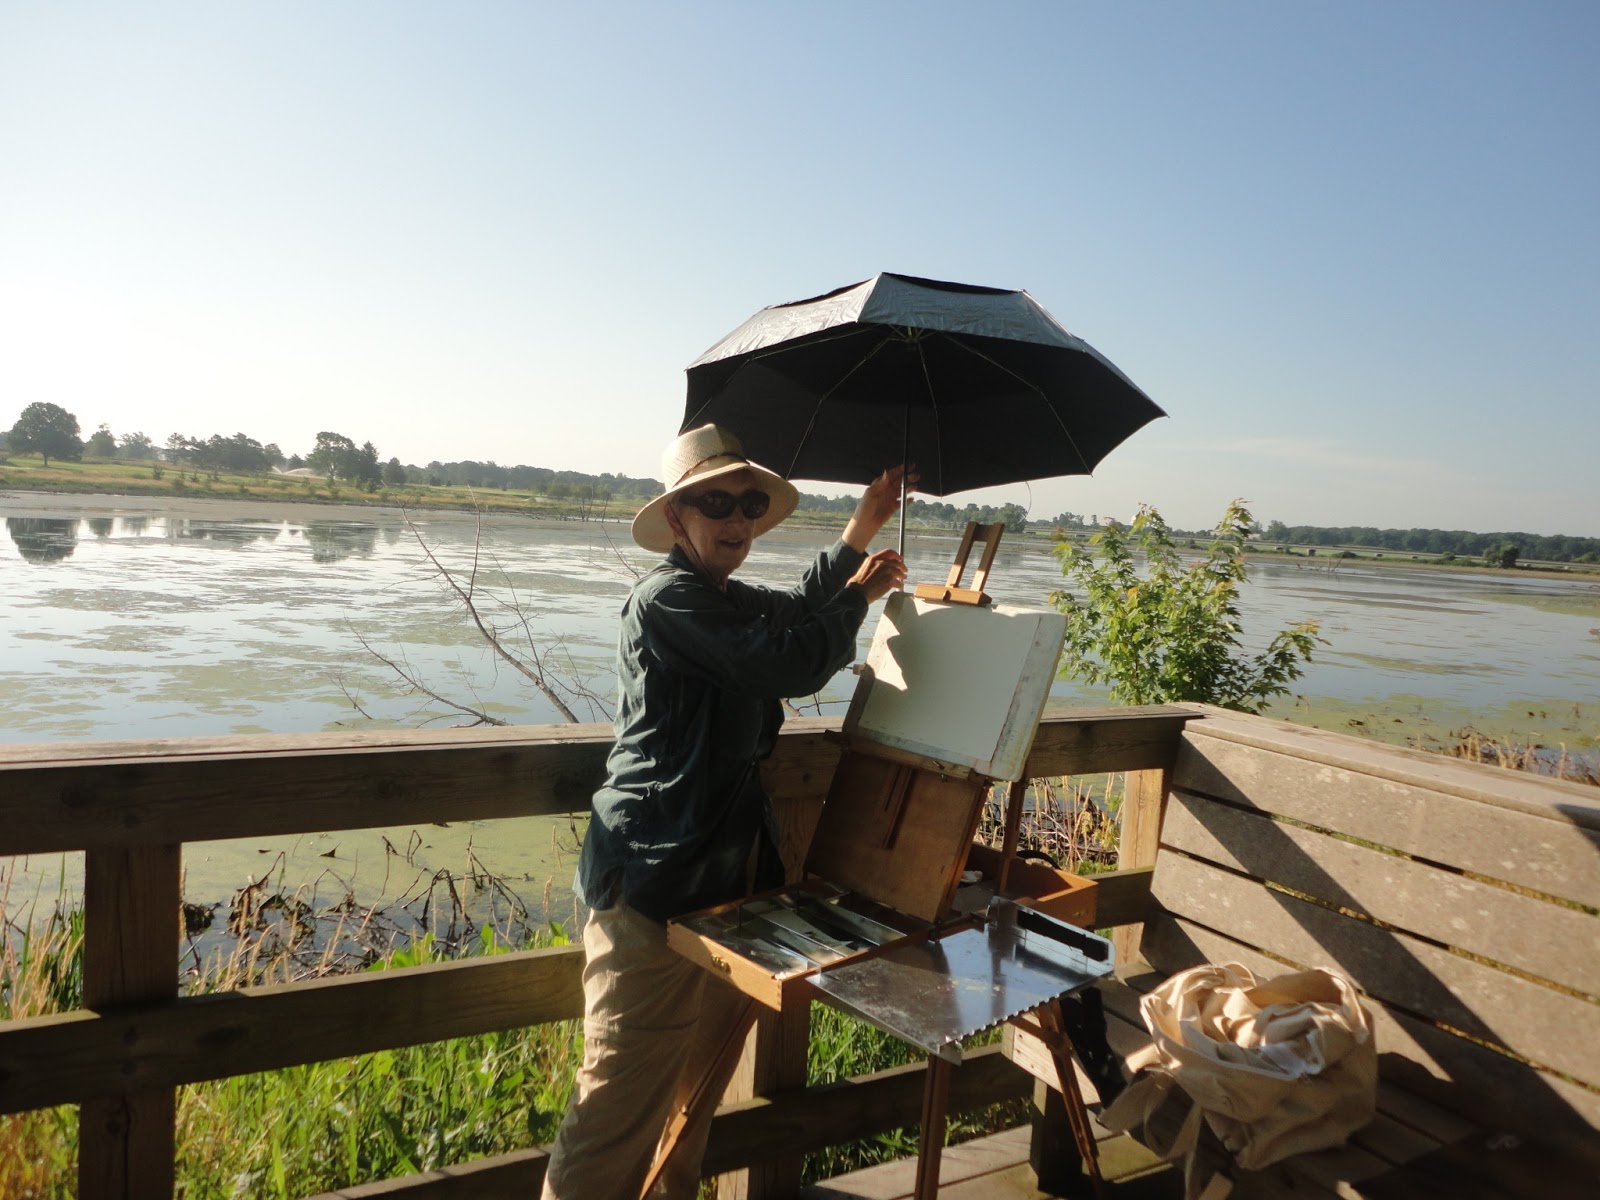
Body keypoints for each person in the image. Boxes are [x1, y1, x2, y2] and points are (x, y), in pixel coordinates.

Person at [540, 423, 911, 1199]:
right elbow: (788, 661)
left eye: (747, 504)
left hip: (716, 890)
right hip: (647, 887)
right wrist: (859, 602)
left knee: (693, 1098)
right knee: (614, 1107)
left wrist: (862, 528)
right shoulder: (669, 598)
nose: (736, 520)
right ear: (678, 520)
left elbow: (790, 614)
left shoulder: (721, 596)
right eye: (715, 504)